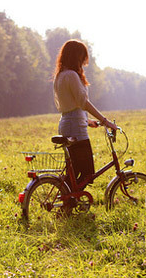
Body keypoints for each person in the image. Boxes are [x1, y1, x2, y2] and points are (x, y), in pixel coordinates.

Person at [53, 39, 117, 190]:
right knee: (88, 172)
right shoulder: (71, 75)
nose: (83, 62)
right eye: (82, 57)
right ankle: (70, 200)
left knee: (74, 172)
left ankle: (68, 202)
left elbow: (70, 106)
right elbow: (83, 102)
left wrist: (88, 121)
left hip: (67, 123)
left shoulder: (60, 75)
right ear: (76, 56)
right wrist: (105, 121)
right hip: (75, 128)